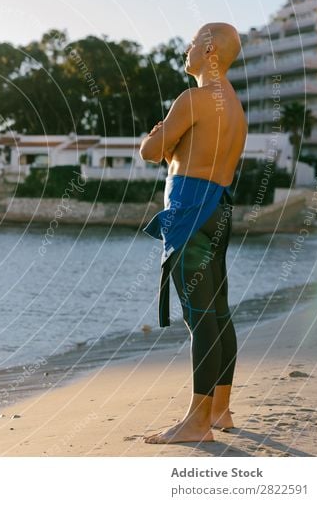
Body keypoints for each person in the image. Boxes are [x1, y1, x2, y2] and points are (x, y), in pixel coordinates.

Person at [139, 22, 248, 444]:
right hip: (219, 209)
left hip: (189, 214)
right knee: (218, 312)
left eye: (191, 42)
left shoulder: (194, 99)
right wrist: (173, 145)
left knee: (199, 318)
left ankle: (197, 422)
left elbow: (151, 151)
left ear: (208, 50)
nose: (185, 49)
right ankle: (220, 409)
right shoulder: (235, 108)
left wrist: (160, 139)